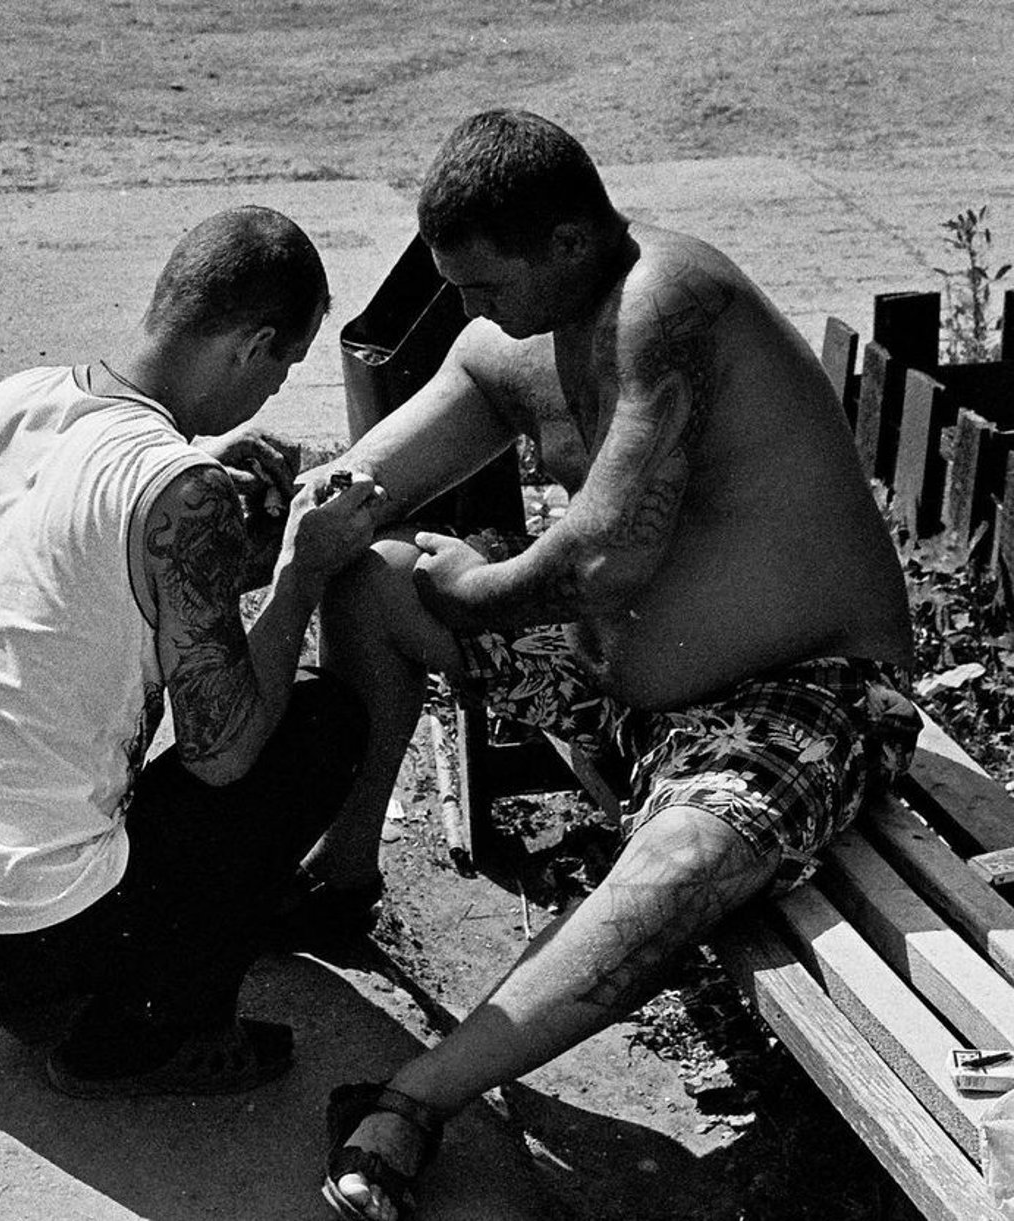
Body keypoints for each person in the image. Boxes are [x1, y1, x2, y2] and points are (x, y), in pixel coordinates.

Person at [305, 109, 920, 1221]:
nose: (470, 312)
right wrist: (261, 499)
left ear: (569, 242)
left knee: (689, 859)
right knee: (372, 578)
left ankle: (414, 1099)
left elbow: (601, 555)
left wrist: (472, 591)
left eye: (485, 286)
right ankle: (338, 881)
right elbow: (360, 487)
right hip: (620, 677)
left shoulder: (669, 301)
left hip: (804, 688)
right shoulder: (513, 337)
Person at [0, 205, 383, 1099]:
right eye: (282, 368)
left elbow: (85, 560)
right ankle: (140, 1037)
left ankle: (1, 983)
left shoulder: (22, 398)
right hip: (27, 921)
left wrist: (206, 479)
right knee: (320, 724)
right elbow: (225, 755)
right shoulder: (180, 489)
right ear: (254, 347)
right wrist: (300, 572)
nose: (272, 391)